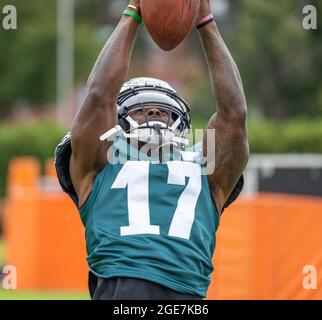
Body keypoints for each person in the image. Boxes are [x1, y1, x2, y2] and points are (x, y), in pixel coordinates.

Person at [54, 0, 249, 300]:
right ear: (116, 122)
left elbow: (234, 114)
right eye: (145, 109)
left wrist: (206, 21)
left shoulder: (206, 167)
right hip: (122, 293)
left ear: (181, 123)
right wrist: (133, 12)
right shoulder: (100, 163)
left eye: (165, 111)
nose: (157, 115)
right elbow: (98, 96)